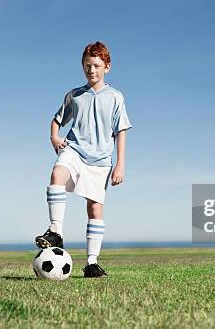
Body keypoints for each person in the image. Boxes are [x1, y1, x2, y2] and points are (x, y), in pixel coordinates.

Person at [35, 41, 132, 278]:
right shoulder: (75, 96)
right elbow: (57, 120)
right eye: (87, 66)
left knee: (95, 208)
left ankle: (91, 263)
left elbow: (121, 131)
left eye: (96, 66)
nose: (91, 70)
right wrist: (54, 137)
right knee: (57, 173)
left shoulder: (116, 97)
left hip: (100, 161)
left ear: (107, 67)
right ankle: (55, 231)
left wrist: (120, 163)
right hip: (74, 150)